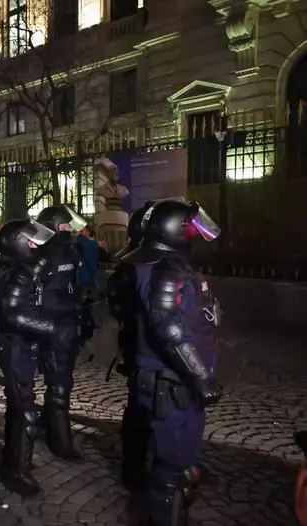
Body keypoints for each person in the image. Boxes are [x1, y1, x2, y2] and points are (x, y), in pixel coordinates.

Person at [121, 198, 222, 525]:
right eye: (190, 226)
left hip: (181, 382)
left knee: (182, 464)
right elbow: (169, 328)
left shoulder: (174, 265)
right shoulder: (165, 269)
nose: (195, 231)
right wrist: (201, 377)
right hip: (171, 383)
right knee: (172, 470)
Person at [0, 218, 57, 496]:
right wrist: (52, 328)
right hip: (15, 346)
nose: (35, 246)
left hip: (19, 345)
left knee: (17, 407)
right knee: (27, 412)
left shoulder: (14, 267)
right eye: (30, 242)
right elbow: (13, 313)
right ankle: (16, 472)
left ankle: (12, 457)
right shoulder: (17, 272)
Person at [34, 204, 88, 461]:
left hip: (67, 323)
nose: (68, 229)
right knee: (58, 383)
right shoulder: (41, 255)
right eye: (64, 225)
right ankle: (59, 440)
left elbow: (74, 284)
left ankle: (48, 422)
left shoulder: (70, 251)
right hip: (50, 325)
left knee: (63, 378)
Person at [106, 203, 151, 490]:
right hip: (142, 348)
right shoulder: (131, 265)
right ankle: (132, 468)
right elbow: (119, 306)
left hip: (154, 348)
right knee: (139, 408)